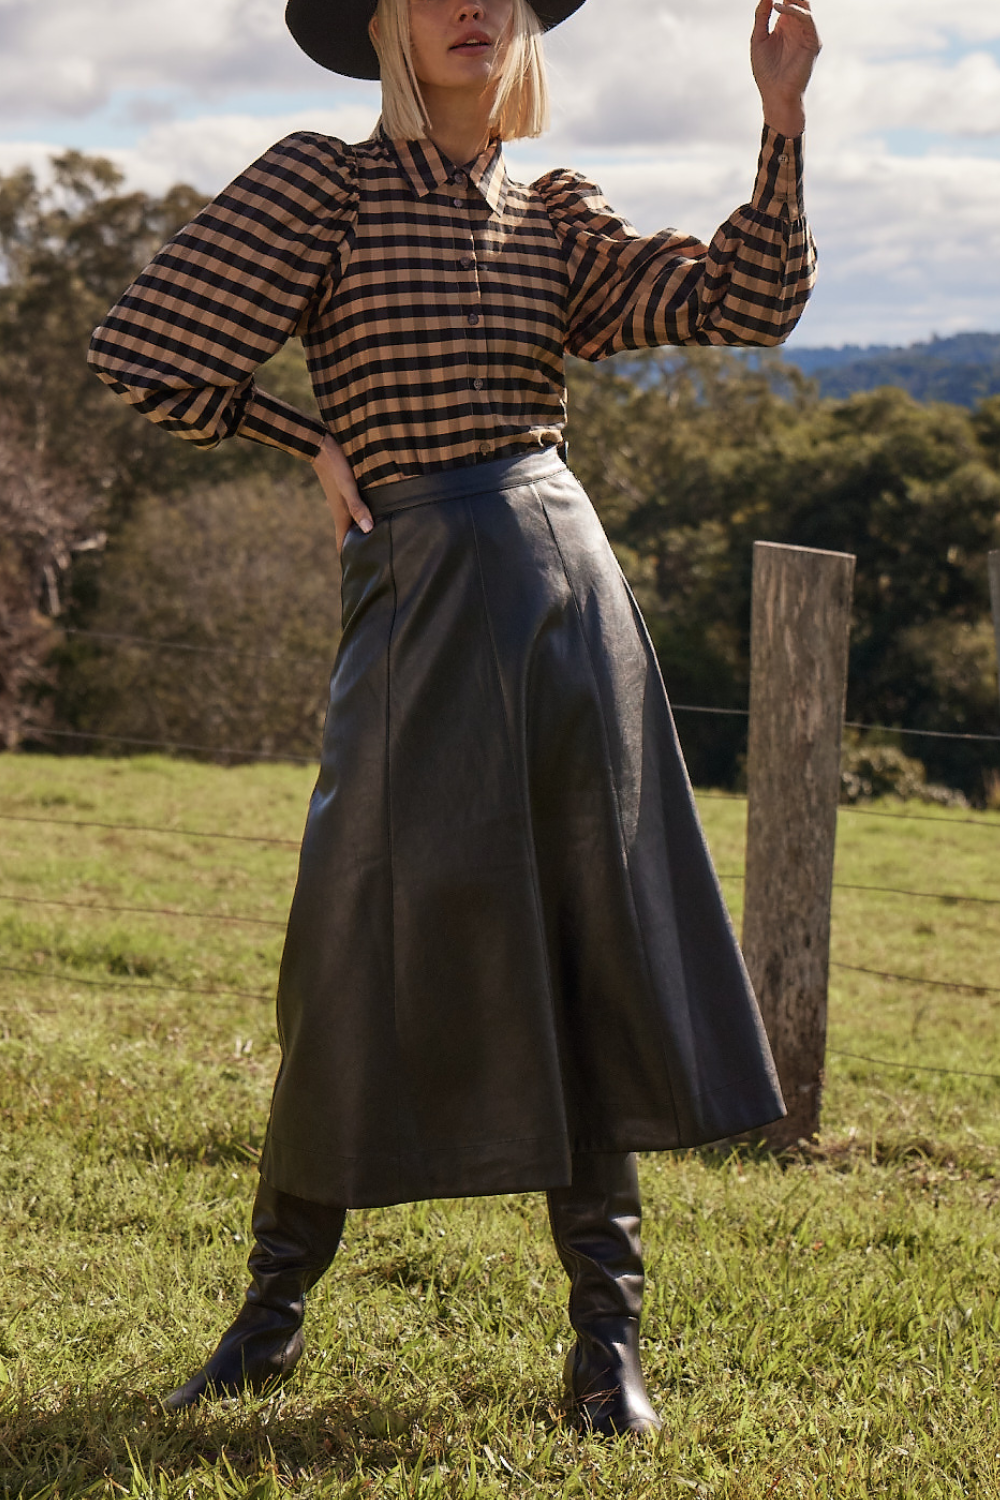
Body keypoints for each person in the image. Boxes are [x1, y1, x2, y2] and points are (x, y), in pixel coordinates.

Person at [88, 0, 820, 1437]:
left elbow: (746, 304)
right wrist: (307, 436)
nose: (472, 6)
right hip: (418, 583)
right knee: (352, 934)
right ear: (384, 23)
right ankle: (268, 1318)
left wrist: (780, 120)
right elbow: (143, 350)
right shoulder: (325, 183)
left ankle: (605, 1344)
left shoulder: (556, 209)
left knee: (587, 940)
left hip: (563, 589)